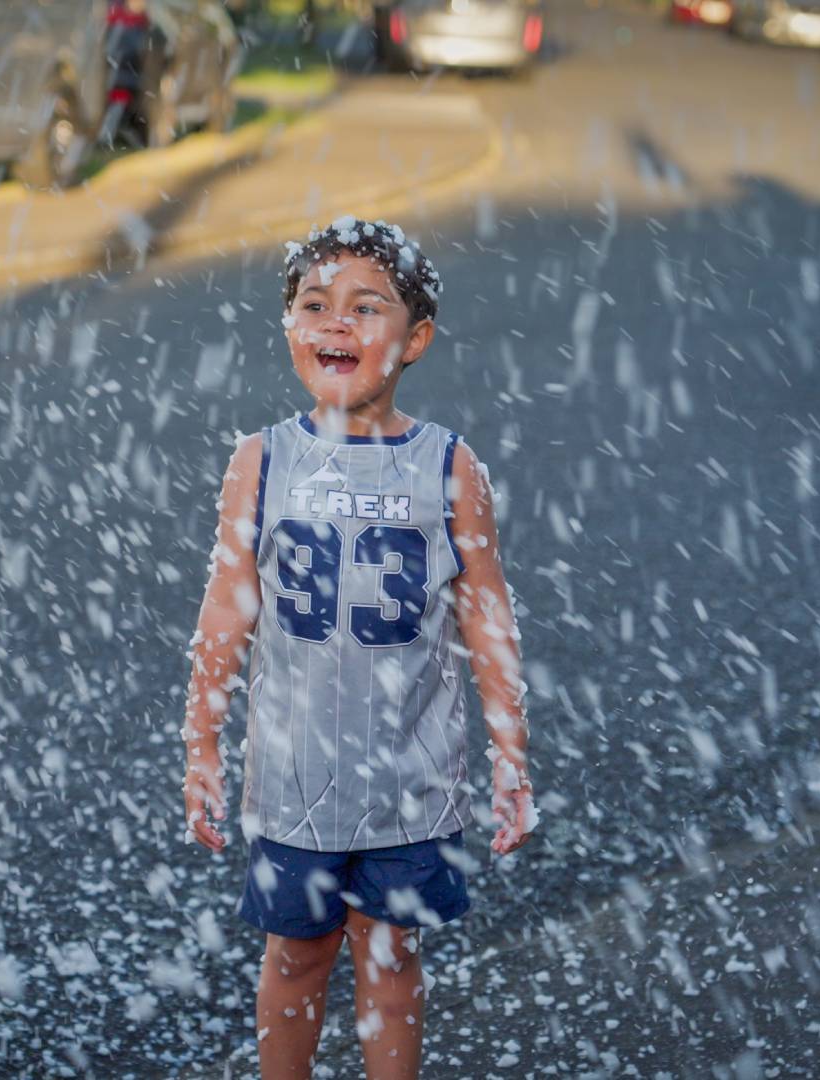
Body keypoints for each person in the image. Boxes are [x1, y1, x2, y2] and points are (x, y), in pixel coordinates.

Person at [179, 216, 538, 1079]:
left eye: (364, 308)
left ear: (415, 338)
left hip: (410, 785)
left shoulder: (450, 467)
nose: (335, 323)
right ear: (290, 328)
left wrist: (511, 752)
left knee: (390, 961)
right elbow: (226, 613)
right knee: (294, 960)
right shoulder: (261, 462)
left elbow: (486, 617)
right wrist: (201, 743)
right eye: (314, 305)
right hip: (293, 779)